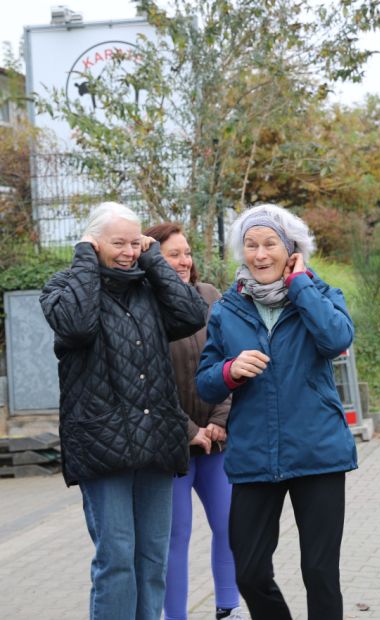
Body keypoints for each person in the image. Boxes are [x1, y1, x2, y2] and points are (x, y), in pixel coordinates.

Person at [40, 202, 207, 620]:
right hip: (102, 446)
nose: (129, 251)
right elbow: (77, 326)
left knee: (151, 559)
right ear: (91, 242)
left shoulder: (149, 288)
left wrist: (154, 259)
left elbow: (191, 314)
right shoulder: (62, 289)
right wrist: (83, 257)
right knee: (116, 560)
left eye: (136, 243)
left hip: (155, 442)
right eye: (119, 243)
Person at [196, 204, 356, 620]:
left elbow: (336, 339)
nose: (260, 254)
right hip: (253, 455)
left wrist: (300, 285)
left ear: (292, 249)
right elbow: (205, 381)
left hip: (317, 452)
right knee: (248, 572)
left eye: (270, 244)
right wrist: (230, 371)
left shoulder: (319, 295)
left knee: (320, 573)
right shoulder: (227, 308)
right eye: (251, 245)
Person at [143, 223, 242, 620]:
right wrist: (190, 431)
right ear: (153, 261)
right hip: (171, 446)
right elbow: (148, 382)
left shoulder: (210, 298)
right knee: (174, 538)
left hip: (217, 440)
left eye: (186, 253)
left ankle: (228, 608)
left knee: (231, 527)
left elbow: (233, 361)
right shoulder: (143, 307)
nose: (184, 261)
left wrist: (219, 419)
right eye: (173, 254)